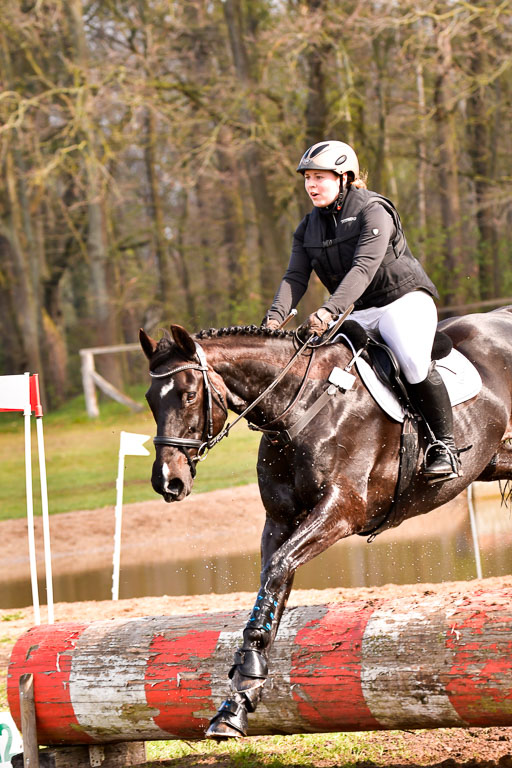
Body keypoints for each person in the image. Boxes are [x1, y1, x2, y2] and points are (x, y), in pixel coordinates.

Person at [263, 140, 460, 480]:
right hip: (359, 312)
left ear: (344, 178)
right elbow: (294, 277)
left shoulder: (373, 211)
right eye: (307, 178)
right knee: (324, 367)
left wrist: (328, 312)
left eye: (319, 177)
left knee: (412, 362)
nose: (311, 185)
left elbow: (363, 268)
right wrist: (272, 320)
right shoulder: (306, 228)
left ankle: (445, 446)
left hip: (403, 301)